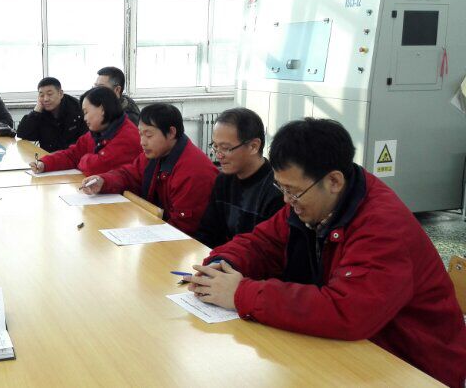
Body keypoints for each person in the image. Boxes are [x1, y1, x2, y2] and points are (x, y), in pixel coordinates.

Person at [182, 118, 466, 388]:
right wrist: (220, 265)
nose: (286, 200)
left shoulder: (383, 226)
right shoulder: (314, 203)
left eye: (293, 191)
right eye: (281, 188)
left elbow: (347, 312)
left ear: (334, 181)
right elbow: (261, 242)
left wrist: (240, 293)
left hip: (412, 366)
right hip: (351, 352)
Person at [80, 104, 217, 234]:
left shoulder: (193, 172)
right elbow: (128, 175)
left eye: (149, 135)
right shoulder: (156, 154)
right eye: (140, 134)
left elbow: (184, 229)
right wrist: (103, 181)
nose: (142, 142)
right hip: (159, 229)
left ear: (171, 132)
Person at [194, 108, 284, 248]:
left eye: (225, 148)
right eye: (215, 146)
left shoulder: (277, 190)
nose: (218, 155)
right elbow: (207, 233)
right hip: (223, 258)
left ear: (253, 146)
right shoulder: (223, 180)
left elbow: (266, 250)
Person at [30, 87, 141, 176]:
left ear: (102, 109)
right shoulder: (98, 131)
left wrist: (83, 158)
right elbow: (72, 155)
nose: (84, 118)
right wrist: (45, 164)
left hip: (127, 196)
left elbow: (95, 168)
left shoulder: (127, 135)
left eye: (86, 112)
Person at [17, 77, 87, 152]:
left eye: (49, 94)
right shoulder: (40, 112)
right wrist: (36, 112)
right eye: (41, 95)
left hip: (73, 156)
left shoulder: (77, 109)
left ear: (60, 94)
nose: (46, 99)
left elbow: (86, 142)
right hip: (48, 156)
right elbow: (22, 134)